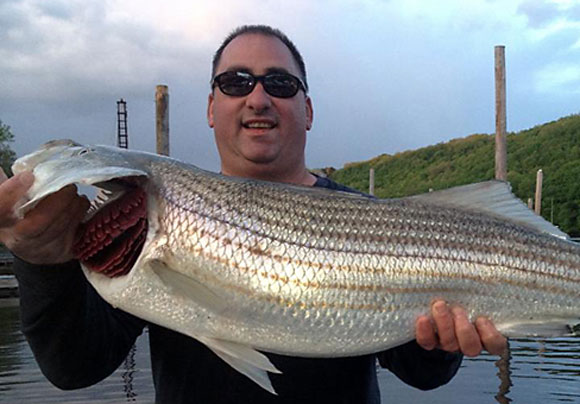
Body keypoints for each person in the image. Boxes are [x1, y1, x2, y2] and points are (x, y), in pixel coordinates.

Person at [0, 25, 506, 404]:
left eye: (281, 84)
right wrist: (42, 263)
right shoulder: (141, 220)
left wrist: (444, 344)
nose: (258, 97)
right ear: (210, 108)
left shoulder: (370, 219)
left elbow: (421, 373)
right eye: (236, 82)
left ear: (307, 110)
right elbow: (74, 368)